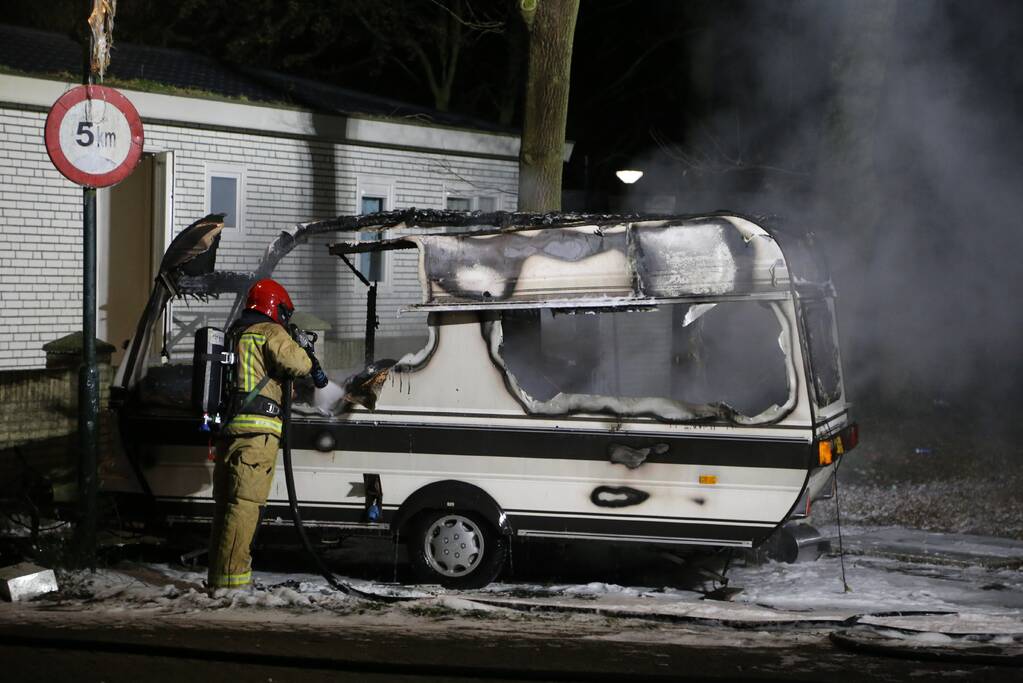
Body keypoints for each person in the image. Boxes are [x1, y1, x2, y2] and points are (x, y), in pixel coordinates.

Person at [207, 278, 328, 591]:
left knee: (228, 506)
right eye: (285, 313)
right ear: (276, 308)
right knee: (245, 505)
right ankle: (232, 585)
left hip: (231, 430)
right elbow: (298, 363)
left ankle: (220, 578)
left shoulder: (237, 333)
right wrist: (305, 351)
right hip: (257, 433)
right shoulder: (269, 331)